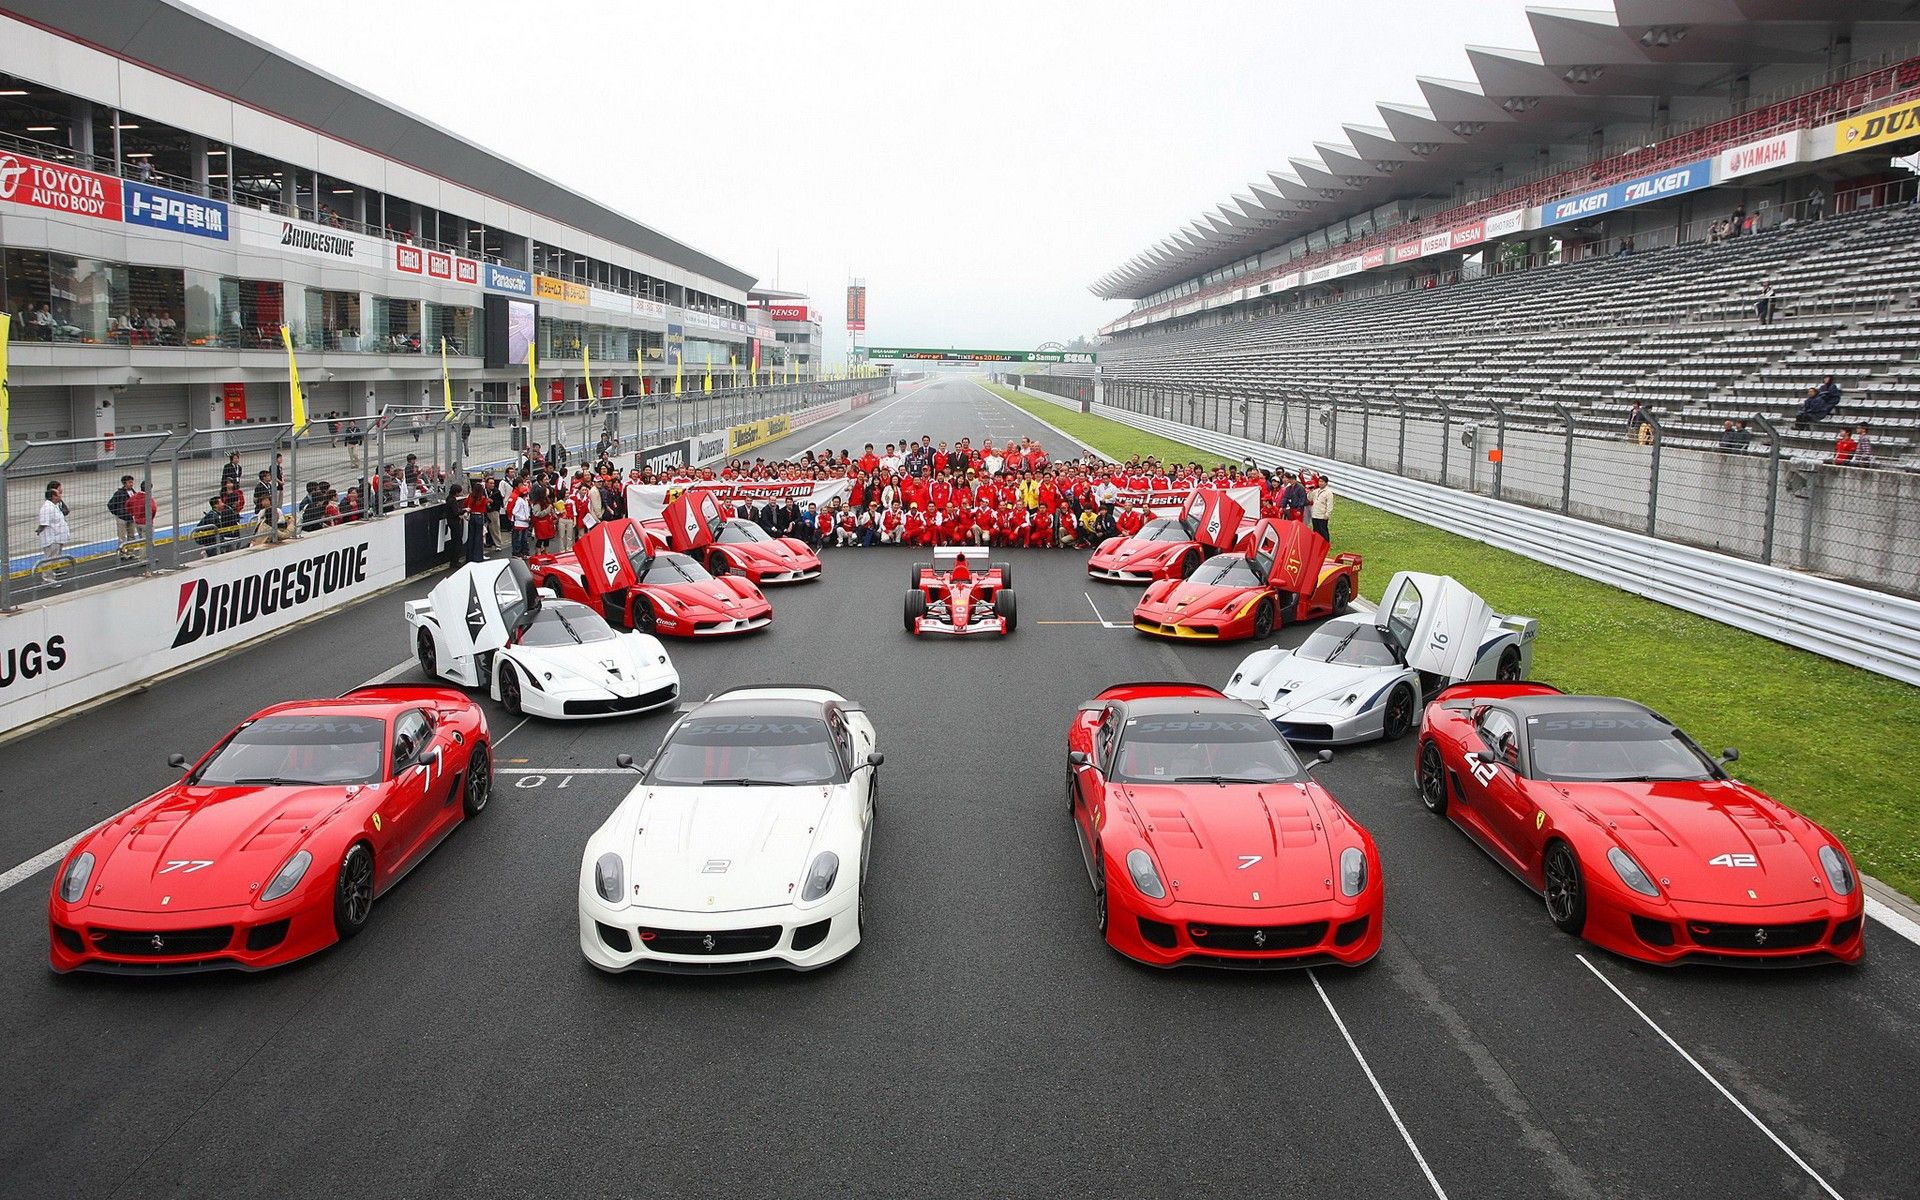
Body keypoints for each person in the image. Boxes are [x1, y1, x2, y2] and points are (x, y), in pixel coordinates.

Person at [36, 481, 71, 579]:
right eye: (58, 494)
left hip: (57, 537)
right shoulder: (47, 508)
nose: (61, 495)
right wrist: (39, 530)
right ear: (53, 496)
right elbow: (44, 523)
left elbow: (66, 512)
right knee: (49, 559)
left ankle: (52, 575)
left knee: (55, 558)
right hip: (52, 538)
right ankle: (47, 578)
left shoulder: (55, 506)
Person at [108, 475, 140, 559]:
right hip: (122, 517)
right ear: (124, 483)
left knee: (131, 535)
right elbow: (110, 504)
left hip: (131, 517)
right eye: (129, 482)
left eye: (132, 482)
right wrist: (118, 513)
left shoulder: (133, 492)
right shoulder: (119, 493)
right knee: (122, 537)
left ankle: (130, 552)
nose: (131, 484)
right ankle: (122, 553)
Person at [1307, 474, 1334, 542]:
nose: (1320, 483)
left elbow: (1330, 504)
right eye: (1319, 481)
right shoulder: (1316, 491)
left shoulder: (1328, 492)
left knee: (1323, 530)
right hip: (1315, 514)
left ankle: (1326, 543)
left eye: (1322, 482)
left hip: (1322, 515)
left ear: (1326, 483)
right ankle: (1317, 542)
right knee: (1316, 530)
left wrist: (1327, 514)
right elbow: (1309, 498)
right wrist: (1310, 491)